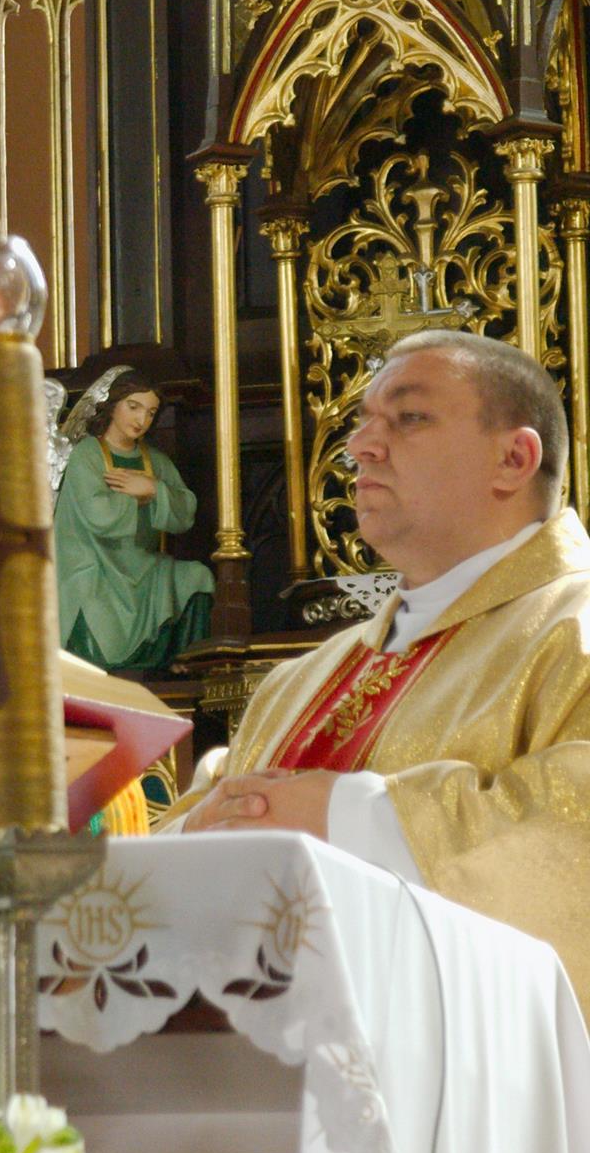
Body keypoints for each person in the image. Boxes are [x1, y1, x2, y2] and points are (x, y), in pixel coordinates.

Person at [168, 329, 590, 996]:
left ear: (513, 459)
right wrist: (200, 825)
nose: (360, 445)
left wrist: (341, 815)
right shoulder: (298, 682)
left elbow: (573, 839)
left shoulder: (575, 628)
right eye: (363, 421)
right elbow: (187, 832)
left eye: (409, 417)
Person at [55, 369, 213, 671]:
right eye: (133, 406)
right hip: (95, 566)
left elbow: (185, 513)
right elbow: (97, 515)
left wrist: (154, 490)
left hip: (144, 566)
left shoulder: (155, 461)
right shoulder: (87, 455)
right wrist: (139, 498)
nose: (142, 419)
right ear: (113, 405)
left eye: (151, 412)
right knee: (93, 603)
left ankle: (186, 662)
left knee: (198, 577)